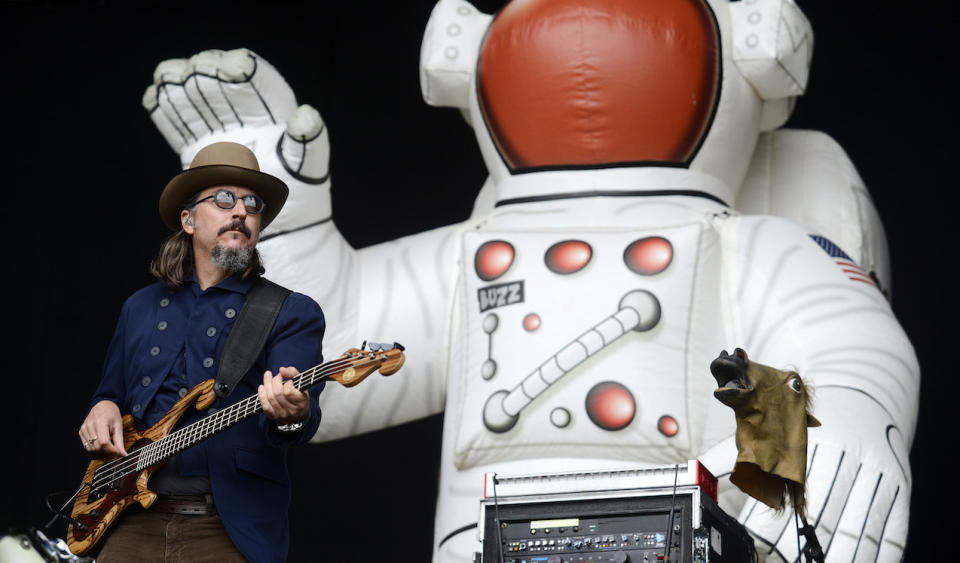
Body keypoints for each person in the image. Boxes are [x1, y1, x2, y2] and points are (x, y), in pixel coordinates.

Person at [76, 141, 326, 563]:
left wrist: (293, 412)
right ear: (188, 220)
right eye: (225, 199)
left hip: (227, 528)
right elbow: (112, 393)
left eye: (252, 203)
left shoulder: (290, 311)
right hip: (129, 519)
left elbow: (297, 424)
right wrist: (102, 405)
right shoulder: (139, 307)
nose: (241, 211)